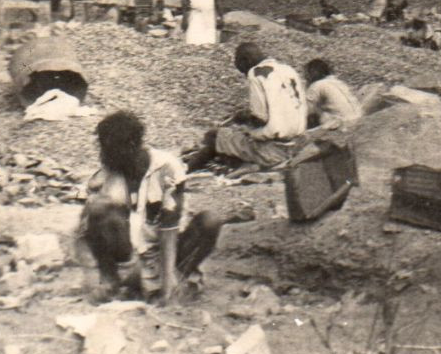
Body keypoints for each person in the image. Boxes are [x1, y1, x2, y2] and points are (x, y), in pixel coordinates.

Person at [79, 111, 224, 304]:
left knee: (210, 220)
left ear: (130, 146)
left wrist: (167, 284)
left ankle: (173, 279)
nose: (103, 155)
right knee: (97, 208)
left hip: (170, 254)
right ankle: (111, 282)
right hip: (133, 259)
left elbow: (169, 229)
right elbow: (92, 230)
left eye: (108, 149)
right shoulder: (107, 176)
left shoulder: (167, 167)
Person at [192, 41, 308, 169]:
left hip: (272, 150)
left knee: (215, 136)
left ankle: (186, 171)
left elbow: (260, 119)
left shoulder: (255, 73)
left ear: (245, 61)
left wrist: (243, 118)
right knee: (237, 137)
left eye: (241, 68)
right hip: (297, 145)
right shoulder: (288, 70)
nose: (244, 73)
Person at [304, 58, 363, 129]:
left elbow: (306, 110)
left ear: (312, 72)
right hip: (359, 119)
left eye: (307, 74)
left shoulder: (316, 85)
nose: (306, 77)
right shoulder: (338, 82)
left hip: (342, 124)